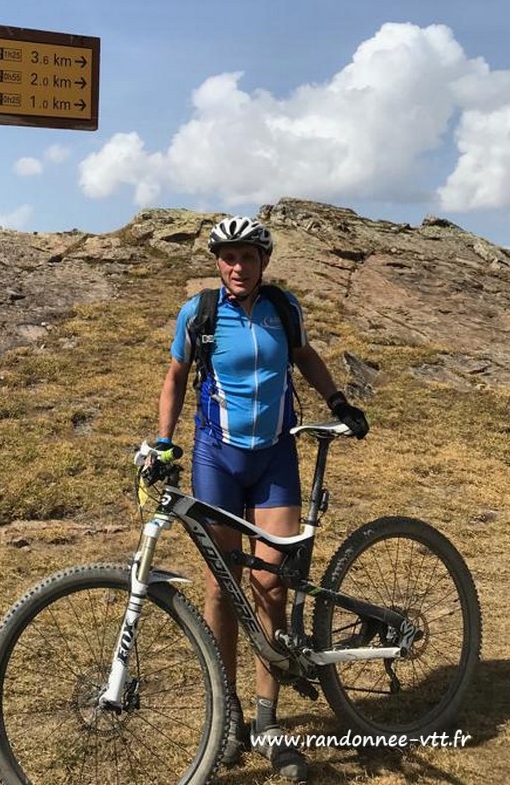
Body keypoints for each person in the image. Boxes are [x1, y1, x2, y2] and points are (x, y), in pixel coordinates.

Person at [154, 215, 369, 782]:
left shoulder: (283, 308)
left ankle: (268, 721)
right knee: (222, 585)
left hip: (274, 458)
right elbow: (175, 376)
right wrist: (163, 442)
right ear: (217, 262)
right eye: (228, 257)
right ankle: (226, 716)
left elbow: (304, 354)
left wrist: (338, 400)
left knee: (272, 582)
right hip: (216, 458)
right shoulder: (198, 313)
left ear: (263, 262)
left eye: (247, 257)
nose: (237, 266)